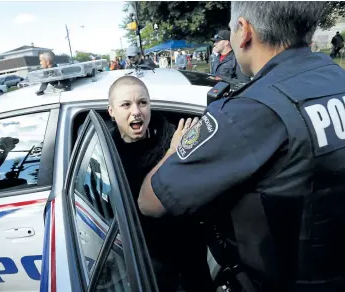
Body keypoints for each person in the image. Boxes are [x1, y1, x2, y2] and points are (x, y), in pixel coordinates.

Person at [137, 2, 345, 292]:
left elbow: (150, 201)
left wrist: (174, 150)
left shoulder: (248, 112)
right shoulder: (336, 79)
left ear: (244, 31)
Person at [108, 76, 215, 292]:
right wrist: (172, 154)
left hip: (188, 248)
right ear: (111, 111)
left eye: (142, 102)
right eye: (126, 105)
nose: (136, 111)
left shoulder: (174, 136)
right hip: (147, 256)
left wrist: (179, 150)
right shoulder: (106, 151)